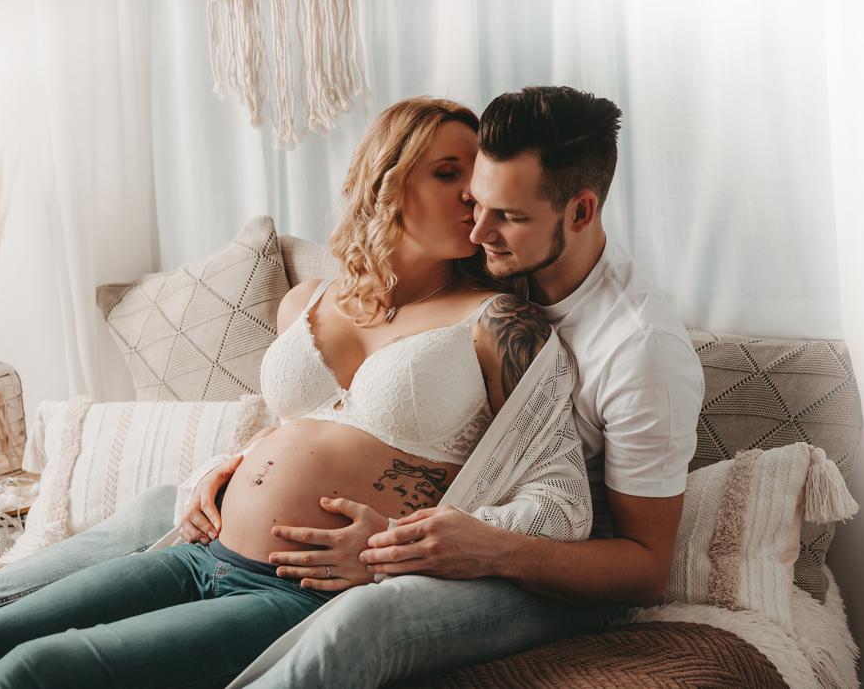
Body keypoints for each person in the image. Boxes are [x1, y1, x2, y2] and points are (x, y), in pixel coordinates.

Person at [0, 97, 589, 689]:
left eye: (479, 178)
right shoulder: (307, 302)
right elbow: (275, 431)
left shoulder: (499, 323)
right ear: (388, 179)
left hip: (300, 591)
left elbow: (559, 501)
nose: (475, 195)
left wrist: (395, 549)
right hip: (197, 551)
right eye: (449, 172)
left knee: (34, 669)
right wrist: (212, 476)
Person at [231, 86, 706, 688]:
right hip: (417, 540)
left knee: (367, 621)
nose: (477, 229)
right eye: (477, 201)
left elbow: (644, 572)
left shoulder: (640, 349)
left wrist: (475, 548)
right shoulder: (480, 280)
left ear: (580, 213)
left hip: (542, 572)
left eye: (507, 216)